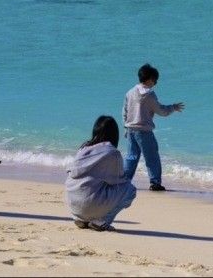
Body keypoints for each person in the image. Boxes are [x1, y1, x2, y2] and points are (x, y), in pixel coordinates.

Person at [65, 115, 136, 231]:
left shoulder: (83, 148)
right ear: (114, 135)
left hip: (74, 204)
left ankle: (82, 218)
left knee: (94, 185)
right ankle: (102, 221)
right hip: (88, 203)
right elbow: (119, 180)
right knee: (130, 190)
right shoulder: (112, 153)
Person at [122, 63, 185, 191]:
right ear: (150, 79)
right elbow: (161, 111)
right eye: (155, 80)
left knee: (131, 157)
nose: (155, 83)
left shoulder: (130, 92)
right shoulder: (149, 95)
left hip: (130, 129)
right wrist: (173, 107)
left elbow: (124, 111)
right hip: (144, 131)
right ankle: (155, 182)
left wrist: (125, 127)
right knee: (152, 157)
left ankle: (124, 181)